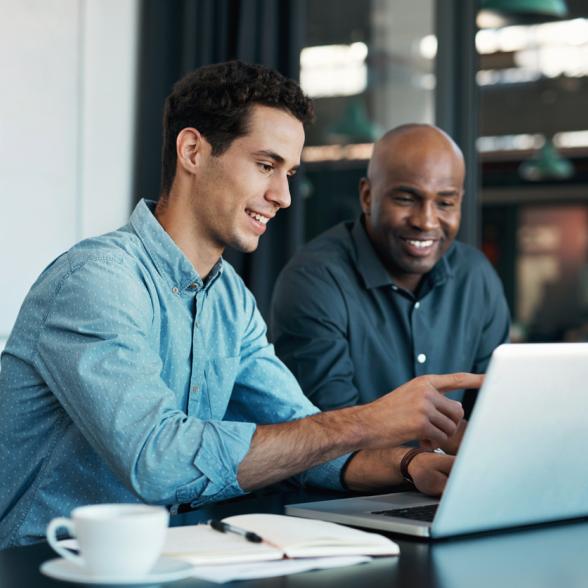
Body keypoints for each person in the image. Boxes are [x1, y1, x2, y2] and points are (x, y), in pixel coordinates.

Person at [0, 64, 480, 548]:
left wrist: (412, 465)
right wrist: (367, 420)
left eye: (289, 173)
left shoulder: (229, 298)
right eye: (266, 166)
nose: (283, 196)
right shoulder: (98, 281)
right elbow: (158, 461)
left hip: (165, 560)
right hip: (42, 563)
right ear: (192, 151)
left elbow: (303, 436)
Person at [271, 124, 510, 429]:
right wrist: (418, 463)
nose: (426, 221)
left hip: (456, 475)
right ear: (368, 196)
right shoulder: (314, 280)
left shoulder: (476, 276)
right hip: (350, 475)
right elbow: (327, 433)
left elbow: (493, 412)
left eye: (445, 203)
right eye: (407, 199)